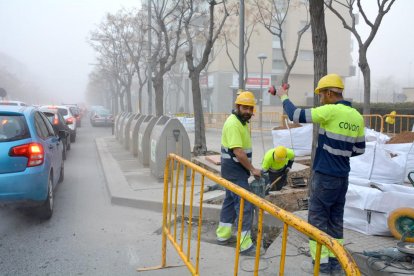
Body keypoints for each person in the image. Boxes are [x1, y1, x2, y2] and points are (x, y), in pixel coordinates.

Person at [274, 74, 366, 275]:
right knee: (335, 220)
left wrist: (283, 96)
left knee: (317, 221)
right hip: (343, 177)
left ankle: (321, 266)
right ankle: (336, 263)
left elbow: (295, 115)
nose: (321, 99)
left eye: (322, 94)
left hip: (325, 176)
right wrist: (340, 151)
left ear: (331, 93)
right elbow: (359, 150)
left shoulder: (330, 111)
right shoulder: (357, 117)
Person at [216, 91, 262, 256]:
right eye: (245, 108)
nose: (248, 111)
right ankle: (245, 245)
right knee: (245, 205)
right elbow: (239, 153)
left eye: (250, 108)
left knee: (230, 202)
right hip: (235, 172)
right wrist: (253, 169)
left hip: (233, 171)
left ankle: (223, 235)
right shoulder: (234, 124)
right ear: (237, 107)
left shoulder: (240, 122)